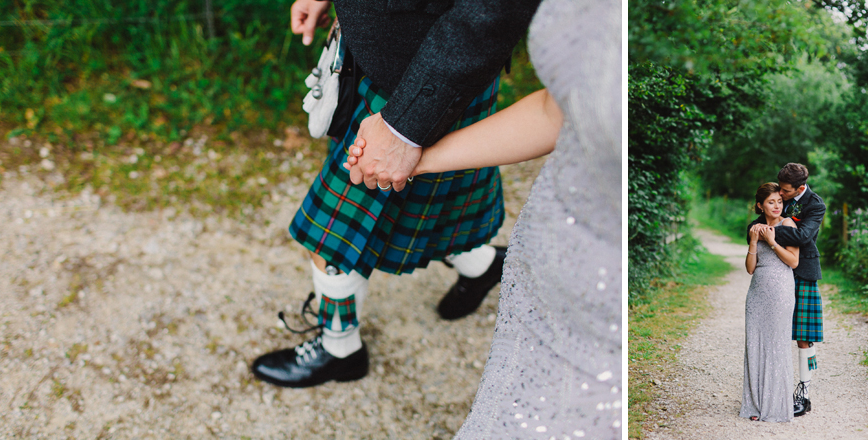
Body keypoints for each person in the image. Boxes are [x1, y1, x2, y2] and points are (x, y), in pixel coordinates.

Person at [349, 0, 621, 435]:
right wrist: (414, 158)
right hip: (539, 269)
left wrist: (404, 134)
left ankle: (338, 345)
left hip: (603, 312)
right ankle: (481, 264)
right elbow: (553, 113)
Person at [250, 0, 542, 389]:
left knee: (331, 237)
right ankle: (481, 265)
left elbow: (492, 10)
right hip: (386, 65)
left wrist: (405, 125)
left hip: (429, 84)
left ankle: (341, 349)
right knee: (435, 204)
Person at [747, 163, 826, 416]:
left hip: (801, 271)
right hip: (772, 276)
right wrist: (755, 232)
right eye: (778, 190)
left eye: (785, 191)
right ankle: (767, 391)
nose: (780, 196)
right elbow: (752, 226)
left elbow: (803, 237)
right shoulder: (780, 195)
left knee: (804, 336)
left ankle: (804, 392)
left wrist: (768, 233)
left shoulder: (815, 204)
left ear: (800, 188)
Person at [740, 183, 799, 422]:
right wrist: (754, 242)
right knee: (755, 345)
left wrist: (773, 242)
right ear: (760, 205)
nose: (777, 206)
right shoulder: (754, 227)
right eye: (771, 202)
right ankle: (755, 405)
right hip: (757, 294)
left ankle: (776, 405)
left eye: (779, 202)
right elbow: (750, 269)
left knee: (776, 344)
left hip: (781, 291)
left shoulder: (788, 225)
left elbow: (793, 262)